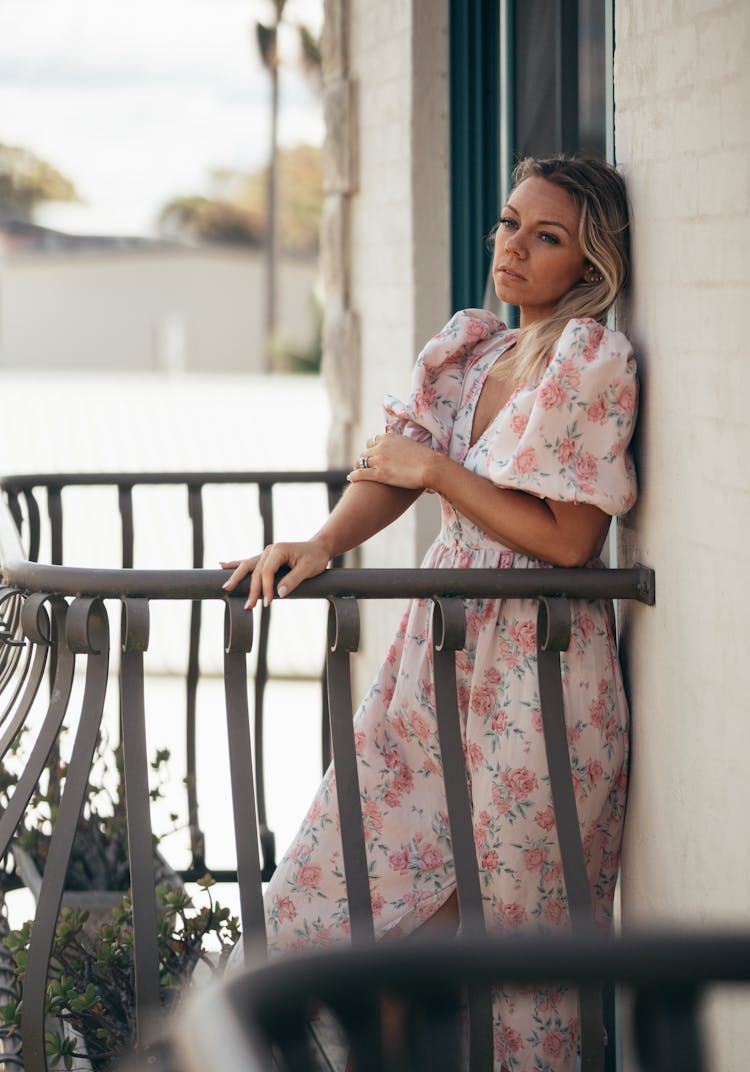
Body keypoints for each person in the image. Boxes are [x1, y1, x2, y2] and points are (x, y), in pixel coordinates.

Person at [221, 154, 638, 1072]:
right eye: (508, 223)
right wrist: (324, 543)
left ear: (592, 265)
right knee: (328, 897)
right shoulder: (470, 348)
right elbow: (393, 463)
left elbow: (571, 542)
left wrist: (444, 474)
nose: (514, 247)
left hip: (541, 674)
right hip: (434, 661)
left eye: (548, 236)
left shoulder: (591, 360)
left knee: (521, 949)